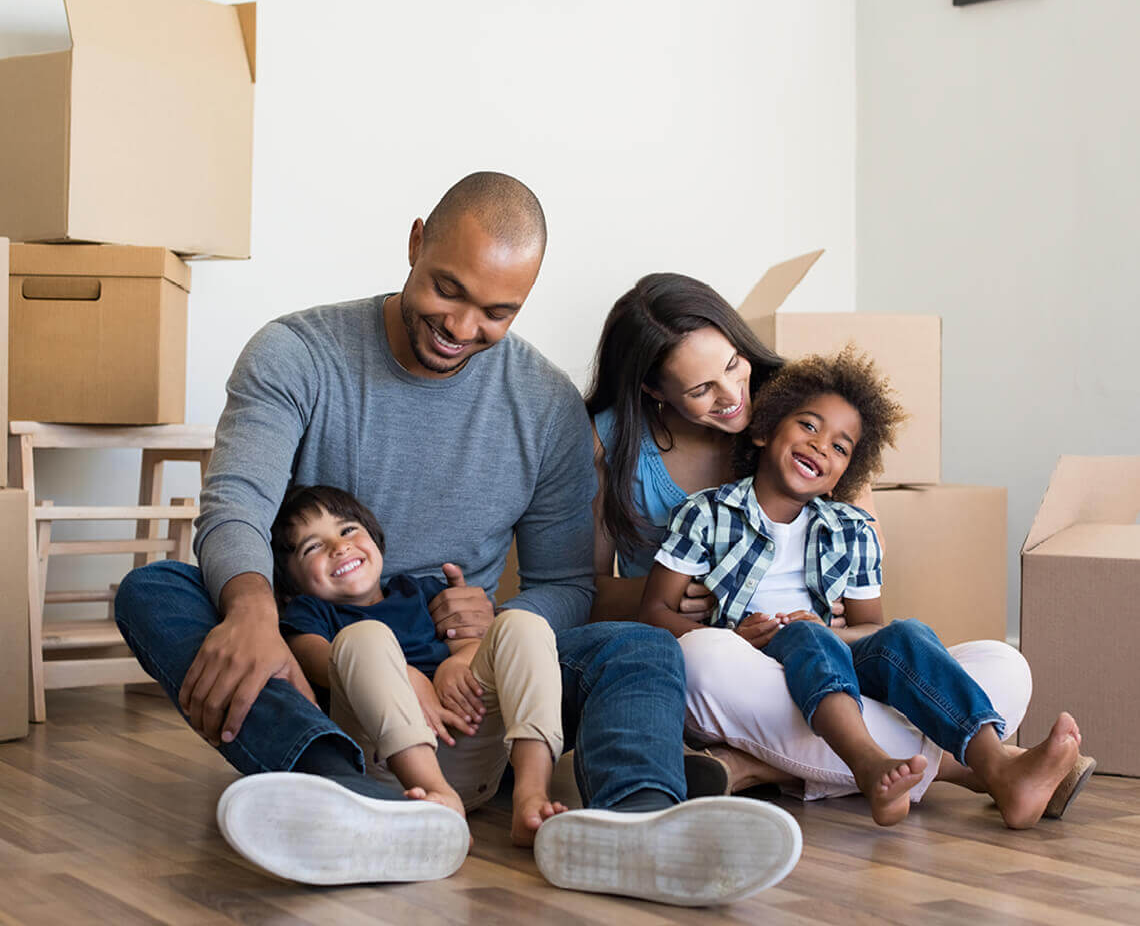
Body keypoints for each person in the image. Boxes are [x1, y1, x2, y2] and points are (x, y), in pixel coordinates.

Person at [115, 173, 802, 904]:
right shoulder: (296, 353)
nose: (463, 327)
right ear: (416, 242)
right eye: (449, 290)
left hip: (473, 687)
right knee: (157, 591)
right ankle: (337, 788)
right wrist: (253, 612)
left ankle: (636, 820)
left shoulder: (543, 406)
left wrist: (490, 632)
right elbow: (237, 505)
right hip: (319, 656)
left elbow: (566, 583)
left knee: (639, 646)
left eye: (497, 312)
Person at [584, 273, 1051, 805]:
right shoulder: (654, 473)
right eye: (700, 389)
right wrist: (705, 602)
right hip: (726, 658)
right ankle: (968, 767)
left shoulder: (808, 408)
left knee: (1004, 667)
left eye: (734, 365)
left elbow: (865, 607)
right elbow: (597, 594)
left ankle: (754, 767)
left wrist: (841, 625)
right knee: (705, 657)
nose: (735, 395)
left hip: (830, 655)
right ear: (653, 390)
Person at [641, 348, 1093, 828]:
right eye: (809, 426)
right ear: (763, 429)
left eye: (840, 447)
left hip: (839, 673)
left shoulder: (853, 529)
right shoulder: (706, 513)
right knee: (705, 655)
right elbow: (654, 612)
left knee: (984, 659)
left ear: (845, 475)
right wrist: (733, 637)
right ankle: (892, 763)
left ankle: (990, 764)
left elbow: (870, 630)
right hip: (753, 673)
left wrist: (830, 633)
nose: (820, 446)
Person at [271, 484, 567, 846]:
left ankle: (531, 795)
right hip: (392, 766)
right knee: (364, 637)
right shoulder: (309, 613)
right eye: (313, 546)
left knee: (522, 624)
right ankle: (437, 796)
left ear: (376, 541)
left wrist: (456, 662)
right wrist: (406, 676)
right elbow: (318, 662)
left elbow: (472, 644)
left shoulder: (419, 591)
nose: (339, 546)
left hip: (470, 740)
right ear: (290, 585)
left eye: (347, 530)